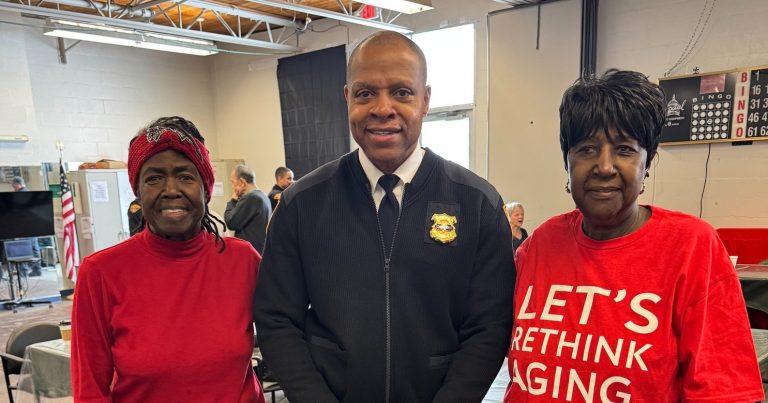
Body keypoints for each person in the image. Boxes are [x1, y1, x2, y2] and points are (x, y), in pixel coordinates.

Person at [253, 32, 515, 403]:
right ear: (347, 99)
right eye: (365, 93)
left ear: (425, 100)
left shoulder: (477, 203)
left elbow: (489, 327)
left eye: (401, 92)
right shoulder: (302, 204)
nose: (382, 108)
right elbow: (277, 320)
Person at [505, 70, 764, 402]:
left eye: (625, 149)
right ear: (567, 162)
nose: (604, 166)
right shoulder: (539, 246)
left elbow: (724, 393)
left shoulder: (691, 247)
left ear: (647, 163)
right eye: (586, 149)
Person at [71, 116, 265, 403]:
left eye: (186, 176)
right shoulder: (100, 272)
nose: (171, 190)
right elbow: (90, 390)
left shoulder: (242, 260)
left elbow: (288, 336)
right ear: (137, 191)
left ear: (206, 189)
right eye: (154, 178)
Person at [225, 164, 271, 253]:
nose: (232, 187)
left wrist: (233, 201)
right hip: (259, 251)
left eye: (233, 182)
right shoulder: (262, 196)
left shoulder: (250, 197)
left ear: (242, 182)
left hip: (250, 253)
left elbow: (230, 222)